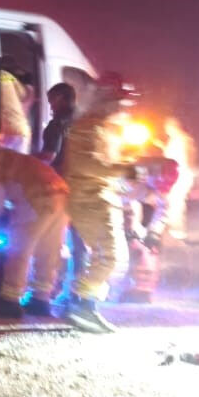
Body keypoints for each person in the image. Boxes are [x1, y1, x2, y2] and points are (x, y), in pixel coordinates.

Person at [62, 72, 137, 333]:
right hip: (90, 200)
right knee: (109, 256)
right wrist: (122, 170)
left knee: (110, 256)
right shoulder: (88, 128)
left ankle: (86, 306)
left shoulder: (103, 127)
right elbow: (87, 164)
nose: (124, 109)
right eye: (121, 102)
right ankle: (81, 306)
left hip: (100, 200)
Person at [0, 147, 69, 318]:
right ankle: (41, 299)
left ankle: (9, 301)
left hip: (36, 198)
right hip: (61, 194)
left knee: (19, 250)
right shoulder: (13, 156)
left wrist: (2, 216)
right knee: (49, 250)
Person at [120, 156, 177, 302]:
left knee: (150, 253)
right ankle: (122, 288)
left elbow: (163, 208)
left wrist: (154, 233)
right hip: (121, 215)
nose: (160, 192)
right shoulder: (130, 181)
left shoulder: (161, 185)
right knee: (124, 254)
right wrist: (130, 231)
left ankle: (144, 288)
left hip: (142, 216)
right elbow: (125, 207)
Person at [160, 116, 196, 241]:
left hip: (181, 175)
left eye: (168, 128)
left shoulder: (183, 139)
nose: (166, 131)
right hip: (175, 176)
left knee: (177, 202)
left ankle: (178, 230)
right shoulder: (174, 140)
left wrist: (182, 174)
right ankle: (174, 228)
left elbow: (186, 159)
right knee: (172, 201)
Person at [38, 82, 76, 174]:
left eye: (51, 101)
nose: (51, 108)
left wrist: (25, 158)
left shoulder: (57, 124)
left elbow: (49, 156)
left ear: (60, 98)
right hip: (77, 177)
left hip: (58, 178)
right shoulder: (82, 120)